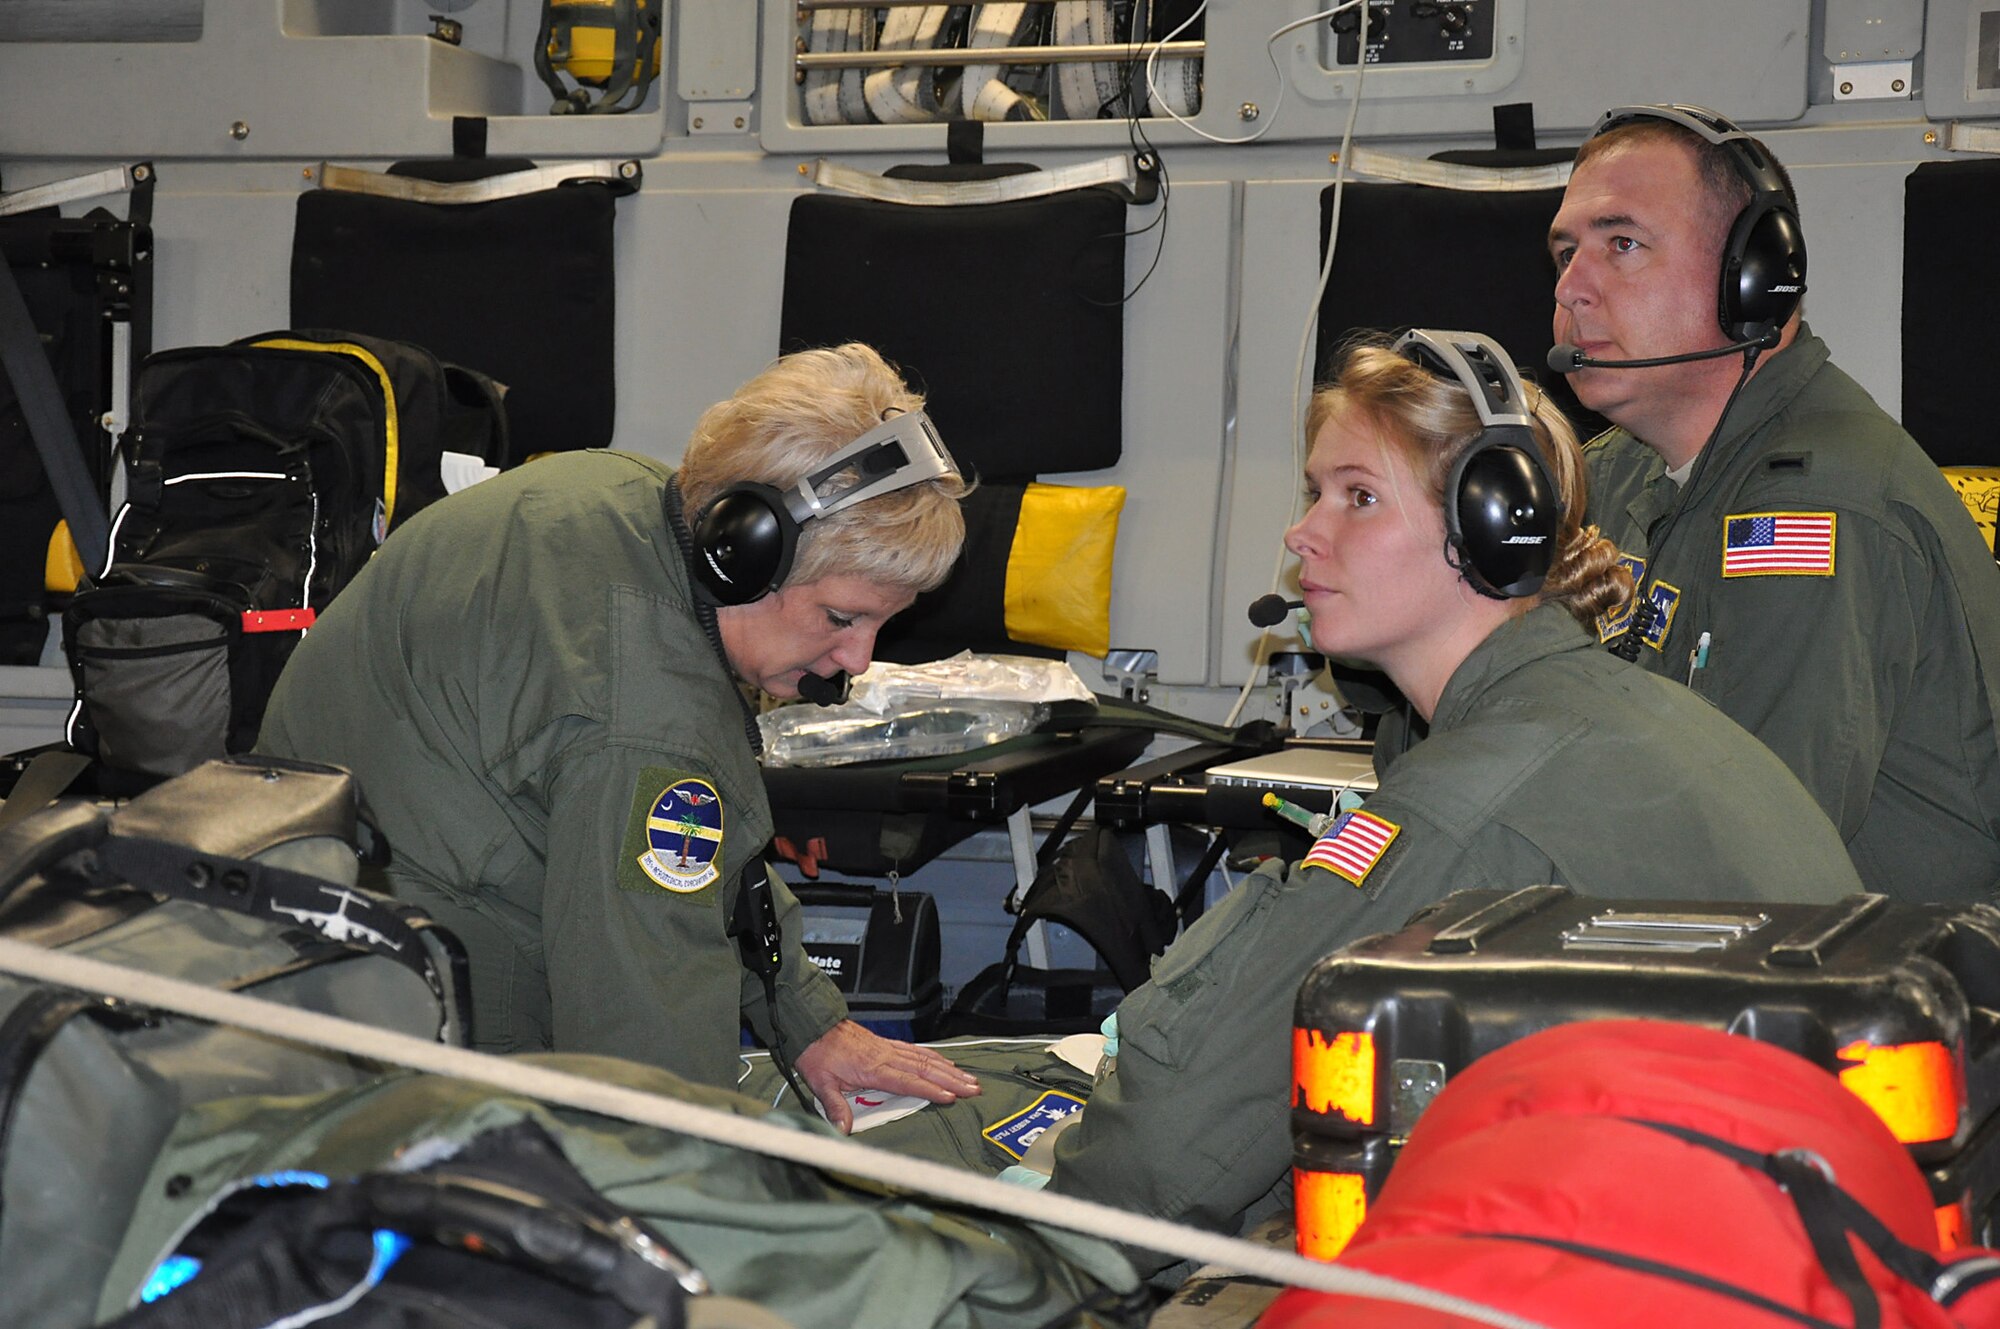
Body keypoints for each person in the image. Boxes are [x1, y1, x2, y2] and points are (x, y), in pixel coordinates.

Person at [1039, 330, 1864, 1270]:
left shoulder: (1459, 808)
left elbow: (1157, 1164)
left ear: (1487, 526)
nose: (1303, 531)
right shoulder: (1635, 717)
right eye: (1315, 491)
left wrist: (1010, 1240)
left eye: (1359, 497)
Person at [257, 342, 980, 1131]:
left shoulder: (629, 501)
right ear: (744, 552)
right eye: (842, 617)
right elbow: (644, 1031)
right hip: (396, 965)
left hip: (317, 891)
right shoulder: (645, 717)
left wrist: (806, 1018)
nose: (857, 658)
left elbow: (703, 848)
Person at [1548, 103, 2000, 903]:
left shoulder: (1821, 512)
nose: (1572, 287)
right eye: (1565, 251)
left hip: (1884, 987)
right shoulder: (1611, 476)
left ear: (1755, 280)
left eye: (1622, 244)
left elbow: (1741, 866)